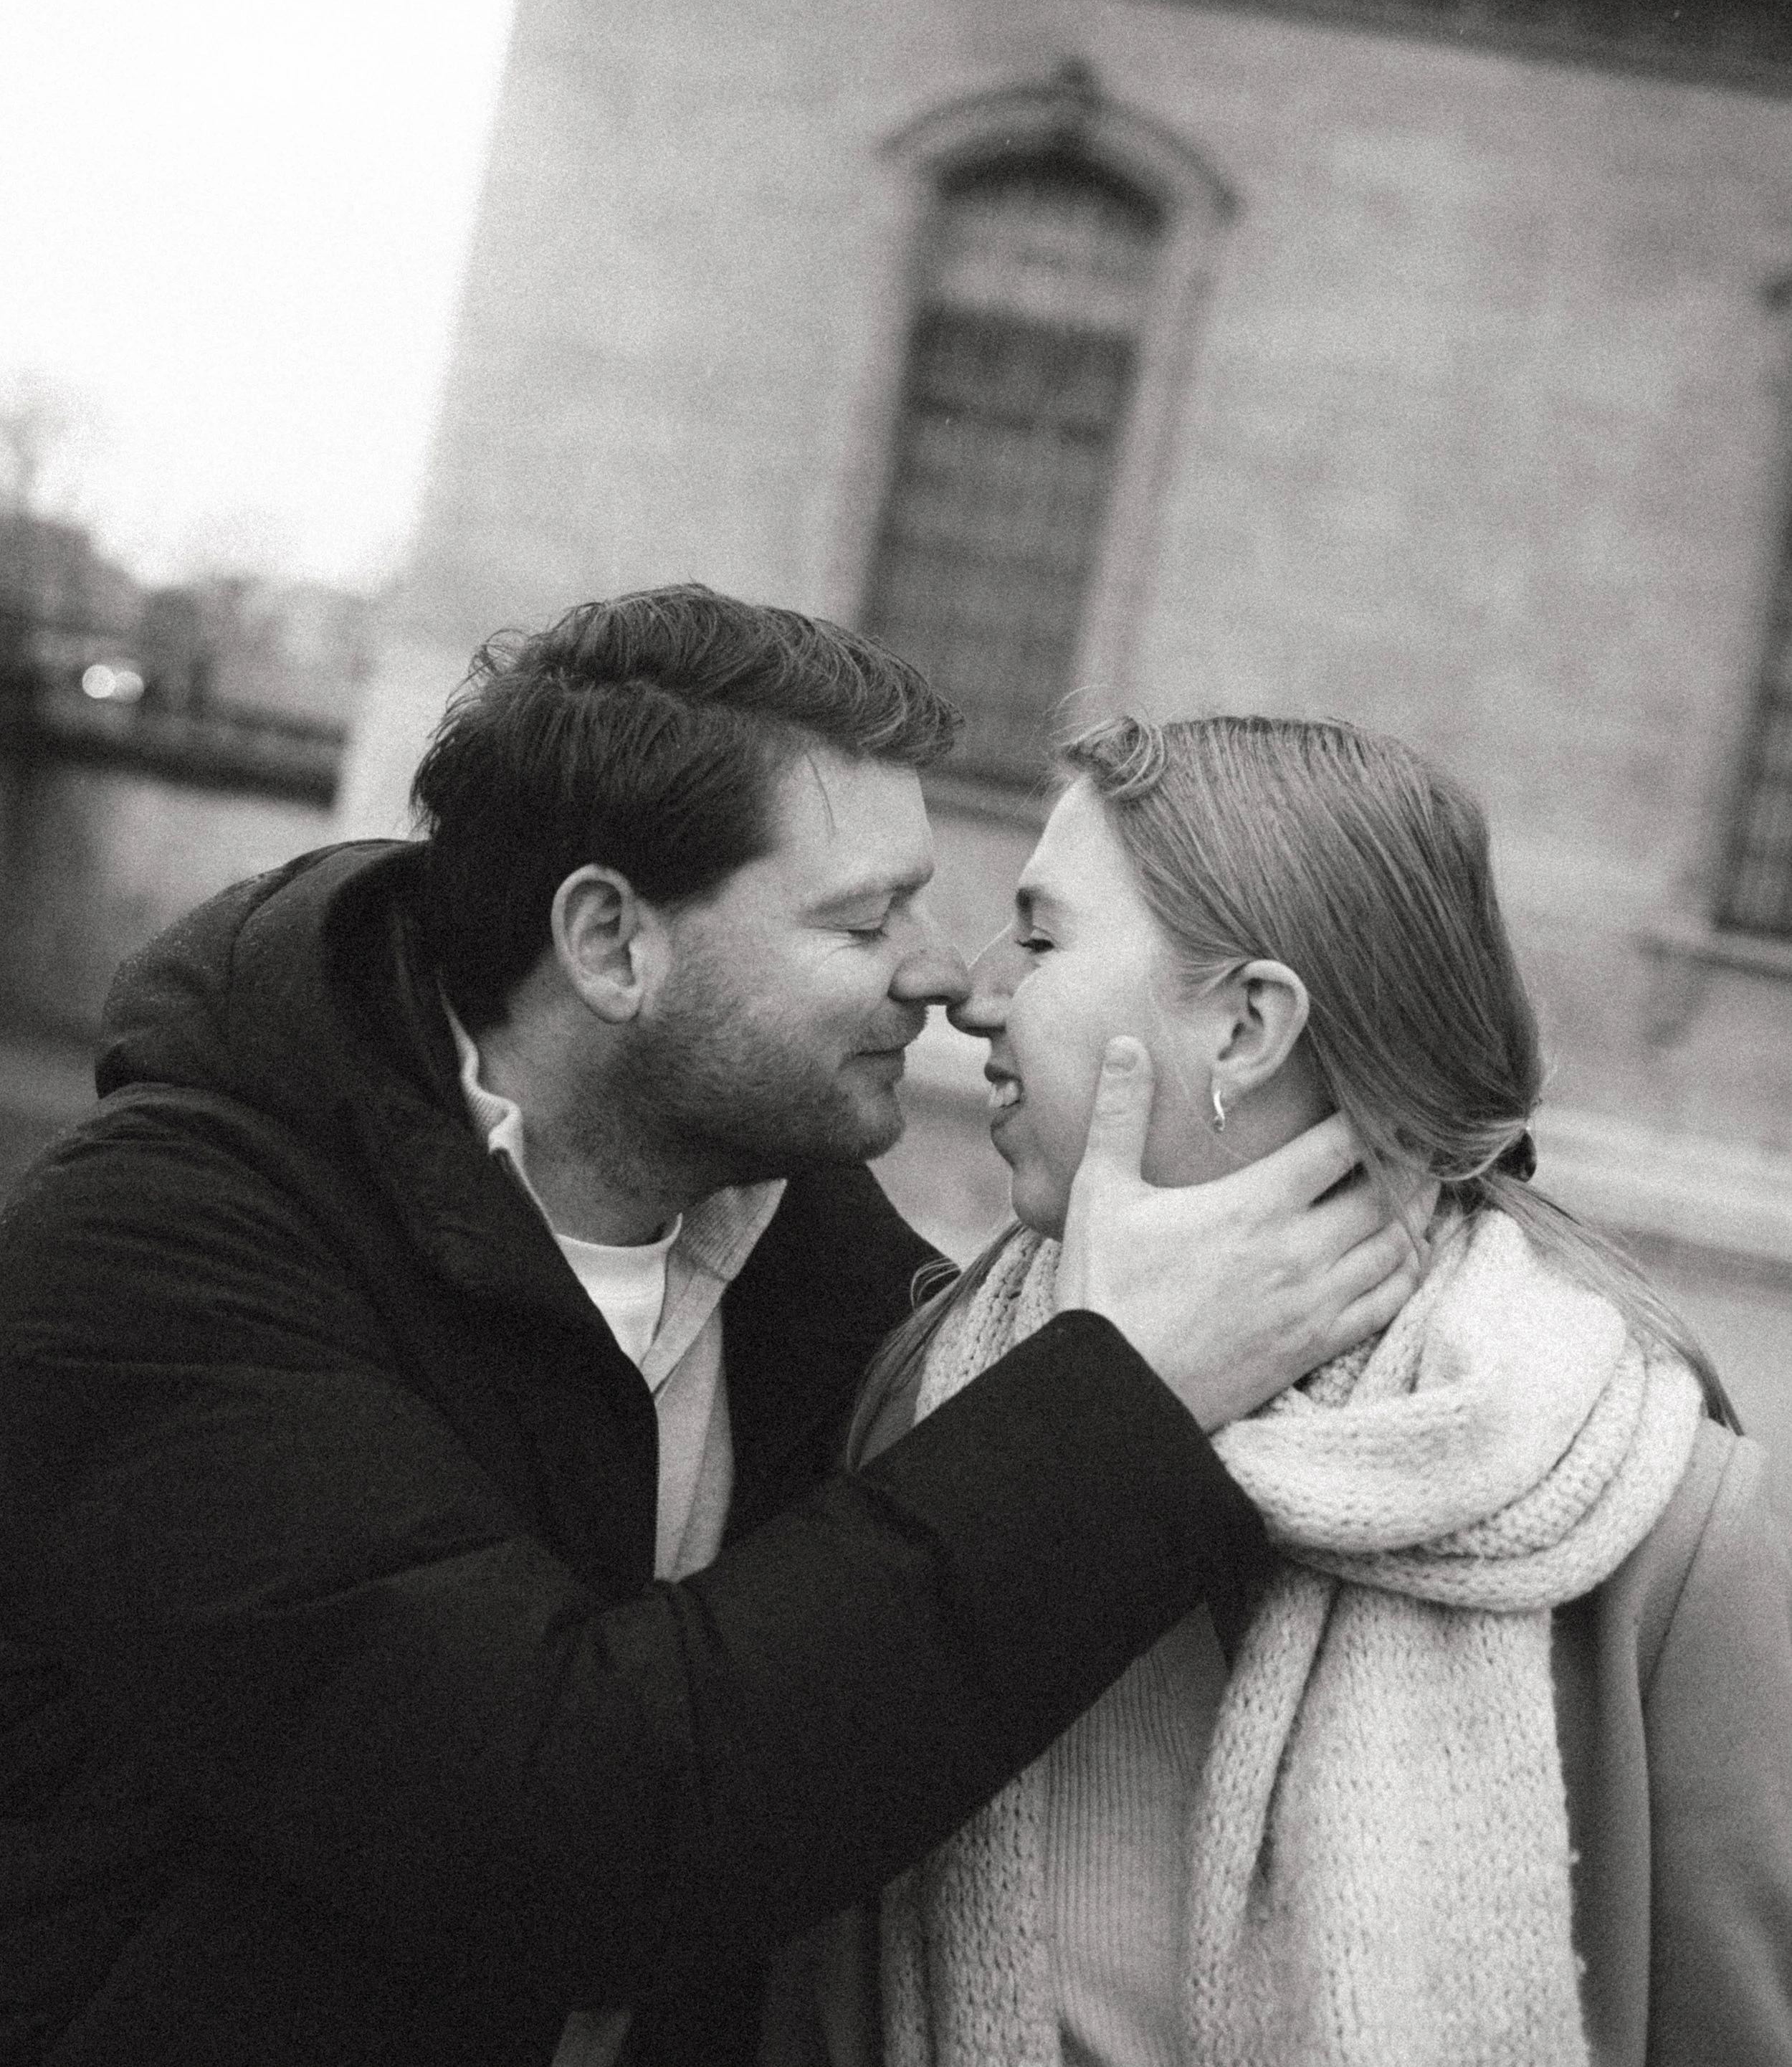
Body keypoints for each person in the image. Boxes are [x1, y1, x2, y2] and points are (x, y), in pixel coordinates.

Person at [0, 592, 1422, 2067]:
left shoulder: (795, 1237)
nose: (941, 973)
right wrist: (1112, 1406)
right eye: (863, 918)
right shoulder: (149, 1267)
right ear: (611, 941)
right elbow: (559, 1830)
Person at [826, 712, 1792, 2067]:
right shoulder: (927, 1408)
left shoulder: (1671, 1533)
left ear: (1247, 1027)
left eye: (1042, 938)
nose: (974, 993)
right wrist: (1073, 1436)